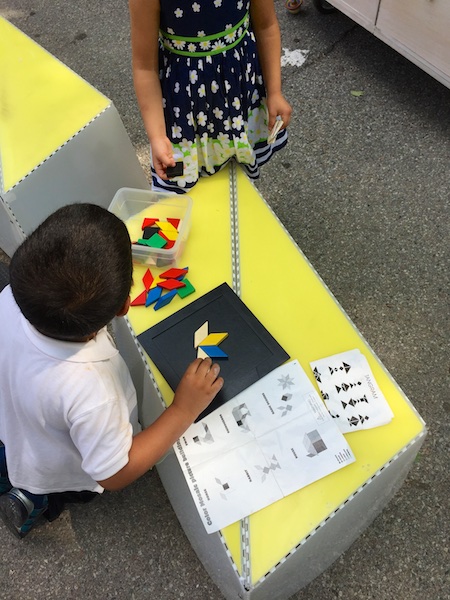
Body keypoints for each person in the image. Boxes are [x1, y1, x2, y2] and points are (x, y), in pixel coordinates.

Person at [0, 203, 223, 538]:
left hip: (20, 414)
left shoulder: (12, 299)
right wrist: (182, 409)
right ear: (124, 307)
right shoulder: (91, 391)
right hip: (61, 465)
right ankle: (35, 500)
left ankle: (13, 475)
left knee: (18, 451)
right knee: (47, 480)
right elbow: (114, 473)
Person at [129, 0, 292, 193]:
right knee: (178, 184)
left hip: (240, 95)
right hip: (183, 110)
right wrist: (156, 136)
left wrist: (274, 92)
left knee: (236, 173)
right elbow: (144, 67)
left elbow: (267, 26)